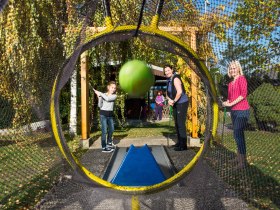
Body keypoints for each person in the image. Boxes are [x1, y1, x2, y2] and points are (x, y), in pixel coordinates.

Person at [222, 60, 250, 169]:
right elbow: (230, 98)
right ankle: (239, 157)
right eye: (231, 68)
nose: (232, 70)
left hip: (242, 111)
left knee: (238, 134)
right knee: (237, 135)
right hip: (234, 111)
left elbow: (243, 95)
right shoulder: (230, 83)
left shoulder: (242, 79)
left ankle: (243, 162)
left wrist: (231, 103)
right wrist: (226, 103)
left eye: (234, 68)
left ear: (238, 69)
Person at [164, 64, 189, 151]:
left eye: (168, 70)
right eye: (165, 71)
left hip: (181, 103)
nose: (167, 72)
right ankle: (179, 142)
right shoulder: (169, 80)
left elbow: (179, 92)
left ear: (172, 69)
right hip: (175, 103)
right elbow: (167, 93)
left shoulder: (175, 78)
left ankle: (183, 145)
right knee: (177, 123)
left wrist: (173, 101)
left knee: (181, 124)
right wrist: (169, 99)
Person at [93, 81, 117, 153]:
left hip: (110, 115)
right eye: (112, 87)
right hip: (103, 114)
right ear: (108, 87)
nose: (113, 89)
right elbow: (100, 106)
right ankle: (104, 147)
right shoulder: (103, 95)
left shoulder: (114, 96)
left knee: (112, 129)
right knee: (104, 131)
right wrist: (99, 97)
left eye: (114, 88)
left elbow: (108, 99)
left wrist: (100, 94)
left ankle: (109, 143)